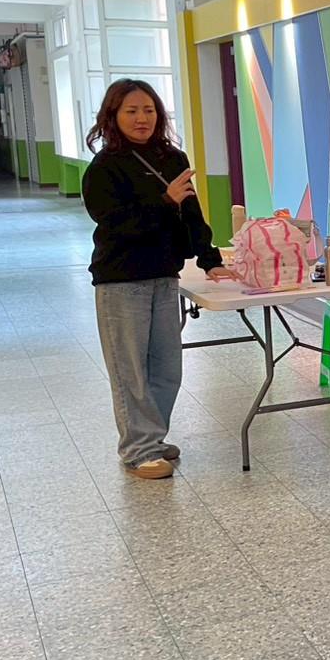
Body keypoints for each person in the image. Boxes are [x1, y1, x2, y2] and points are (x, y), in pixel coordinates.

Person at [81, 78, 235, 479]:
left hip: (164, 276)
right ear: (113, 116)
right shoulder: (105, 167)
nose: (142, 118)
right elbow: (115, 224)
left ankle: (152, 435)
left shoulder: (172, 157)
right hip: (121, 280)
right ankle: (138, 449)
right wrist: (164, 200)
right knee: (130, 370)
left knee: (167, 367)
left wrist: (210, 258)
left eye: (149, 110)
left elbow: (191, 213)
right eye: (131, 111)